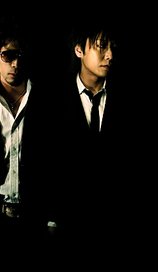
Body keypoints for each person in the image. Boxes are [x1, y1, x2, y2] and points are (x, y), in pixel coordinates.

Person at [0, 16, 55, 264]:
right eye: (8, 55)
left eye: (22, 56)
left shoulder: (48, 102)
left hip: (35, 222)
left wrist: (53, 219)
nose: (16, 63)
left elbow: (57, 161)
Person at [54, 21, 131, 255]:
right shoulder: (53, 100)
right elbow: (47, 164)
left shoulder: (128, 99)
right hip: (68, 226)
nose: (110, 55)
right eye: (101, 46)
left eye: (113, 47)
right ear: (79, 50)